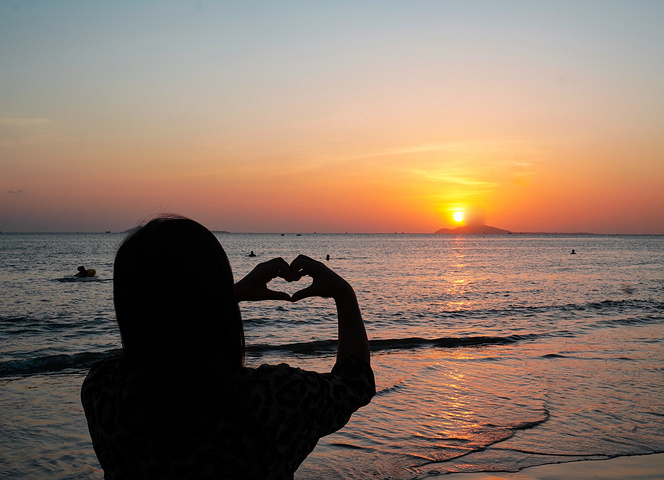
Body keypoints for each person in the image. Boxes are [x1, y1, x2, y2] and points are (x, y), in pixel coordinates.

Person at [81, 216, 374, 480]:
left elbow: (170, 327)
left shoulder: (102, 392)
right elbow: (354, 382)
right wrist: (343, 294)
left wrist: (223, 299)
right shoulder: (272, 398)